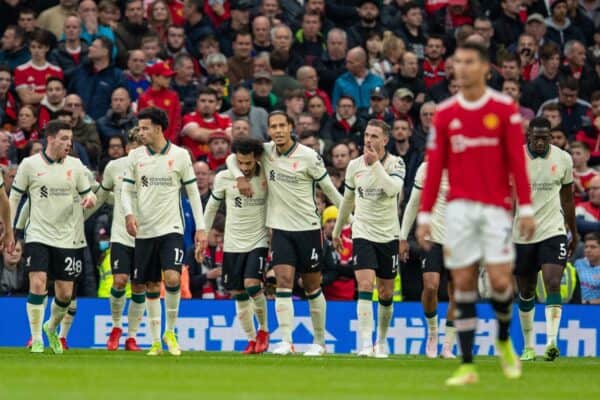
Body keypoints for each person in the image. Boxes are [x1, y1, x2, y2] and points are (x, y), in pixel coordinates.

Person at [416, 42, 535, 385]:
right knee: (463, 283)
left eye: (469, 62)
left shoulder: (505, 109)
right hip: (458, 212)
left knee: (499, 281)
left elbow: (517, 163)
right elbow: (435, 168)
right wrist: (424, 217)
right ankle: (466, 363)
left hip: (496, 210)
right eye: (458, 63)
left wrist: (524, 208)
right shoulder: (445, 114)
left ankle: (501, 339)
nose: (462, 68)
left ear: (485, 68)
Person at [226, 111, 342, 356]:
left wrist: (349, 219)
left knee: (312, 286)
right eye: (273, 126)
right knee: (283, 283)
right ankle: (286, 341)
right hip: (280, 230)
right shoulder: (265, 152)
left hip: (309, 229)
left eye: (282, 126)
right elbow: (232, 157)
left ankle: (319, 343)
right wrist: (239, 177)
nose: (277, 130)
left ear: (291, 127)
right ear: (269, 130)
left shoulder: (309, 157)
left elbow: (330, 190)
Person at [121, 107, 207, 356]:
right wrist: (129, 213)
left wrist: (200, 228)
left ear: (158, 129)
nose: (141, 132)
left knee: (171, 278)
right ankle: (155, 340)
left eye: (145, 127)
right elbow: (126, 190)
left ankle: (170, 332)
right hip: (145, 230)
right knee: (150, 285)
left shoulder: (180, 156)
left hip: (172, 228)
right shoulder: (136, 156)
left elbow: (192, 193)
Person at [9, 120, 96, 354]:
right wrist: (10, 230)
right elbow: (15, 198)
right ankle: (36, 337)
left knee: (65, 294)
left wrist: (90, 200)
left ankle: (51, 327)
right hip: (38, 234)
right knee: (37, 283)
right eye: (64, 139)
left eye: (70, 139)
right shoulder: (29, 165)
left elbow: (90, 194)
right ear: (50, 139)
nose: (69, 143)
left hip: (68, 237)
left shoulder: (77, 166)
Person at [332, 119, 404, 358]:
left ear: (385, 140)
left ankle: (381, 342)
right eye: (367, 135)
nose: (369, 140)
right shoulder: (354, 166)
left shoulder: (396, 163)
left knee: (385, 293)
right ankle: (365, 343)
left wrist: (375, 166)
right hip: (363, 232)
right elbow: (348, 201)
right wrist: (337, 229)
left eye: (375, 136)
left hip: (388, 235)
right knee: (364, 285)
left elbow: (393, 190)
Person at [513, 117, 577, 362]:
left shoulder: (563, 159)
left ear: (551, 137)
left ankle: (551, 342)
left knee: (552, 281)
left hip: (553, 230)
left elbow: (568, 199)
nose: (540, 142)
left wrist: (573, 230)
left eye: (545, 137)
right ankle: (529, 346)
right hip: (522, 233)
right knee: (526, 290)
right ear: (529, 135)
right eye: (536, 137)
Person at [204, 137, 270, 354]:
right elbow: (212, 207)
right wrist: (203, 236)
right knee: (237, 291)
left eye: (249, 163)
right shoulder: (224, 177)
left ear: (257, 159)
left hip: (258, 240)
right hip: (232, 243)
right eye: (241, 163)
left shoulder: (267, 176)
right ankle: (251, 339)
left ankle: (263, 330)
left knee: (252, 284)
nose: (245, 167)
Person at [93, 128, 145, 351]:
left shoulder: (155, 167)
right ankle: (116, 327)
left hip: (146, 236)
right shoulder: (115, 167)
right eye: (132, 146)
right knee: (120, 281)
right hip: (121, 236)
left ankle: (131, 336)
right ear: (126, 149)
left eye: (140, 147)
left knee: (140, 286)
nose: (136, 151)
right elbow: (103, 196)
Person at [399, 161, 456, 359]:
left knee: (457, 293)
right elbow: (414, 202)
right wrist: (403, 236)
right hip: (433, 238)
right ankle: (433, 333)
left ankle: (448, 344)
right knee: (431, 286)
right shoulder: (427, 167)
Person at [137, 61, 182, 143]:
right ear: (154, 77)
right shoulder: (144, 98)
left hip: (170, 143)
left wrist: (169, 141)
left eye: (170, 77)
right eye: (166, 77)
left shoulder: (173, 96)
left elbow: (177, 122)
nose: (169, 80)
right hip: (150, 144)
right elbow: (141, 124)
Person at [574, 232, 600, 304]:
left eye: (593, 247)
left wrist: (587, 302)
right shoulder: (578, 263)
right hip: (575, 307)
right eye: (586, 247)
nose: (588, 250)